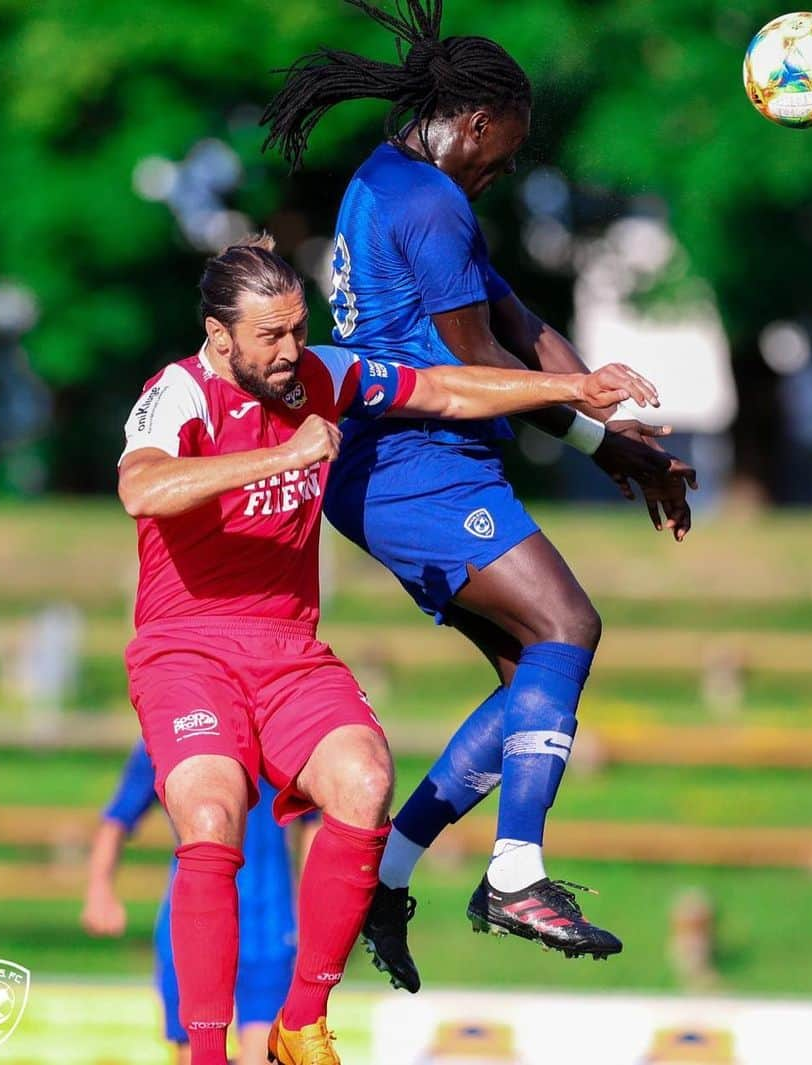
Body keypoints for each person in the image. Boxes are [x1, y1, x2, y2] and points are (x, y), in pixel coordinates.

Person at [117, 232, 656, 1065]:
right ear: (219, 337)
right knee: (212, 811)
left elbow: (440, 389)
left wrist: (572, 388)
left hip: (288, 646)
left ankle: (300, 1026)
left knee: (365, 781)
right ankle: (207, 1055)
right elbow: (141, 486)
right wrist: (280, 454)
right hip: (187, 647)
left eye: (300, 329)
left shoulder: (320, 376)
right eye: (271, 337)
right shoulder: (179, 393)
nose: (294, 352)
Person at [261, 0, 697, 993]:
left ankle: (388, 875)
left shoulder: (403, 183)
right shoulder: (426, 201)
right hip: (415, 462)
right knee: (569, 625)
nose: (508, 164)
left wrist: (616, 441)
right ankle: (515, 873)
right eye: (506, 145)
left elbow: (517, 319)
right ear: (470, 120)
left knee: (529, 684)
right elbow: (477, 359)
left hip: (420, 465)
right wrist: (598, 436)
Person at [81, 739, 311, 1065]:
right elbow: (118, 817)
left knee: (262, 1058)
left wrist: (312, 912)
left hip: (267, 926)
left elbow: (314, 823)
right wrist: (99, 890)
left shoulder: (279, 731)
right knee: (196, 1056)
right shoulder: (173, 731)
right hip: (194, 926)